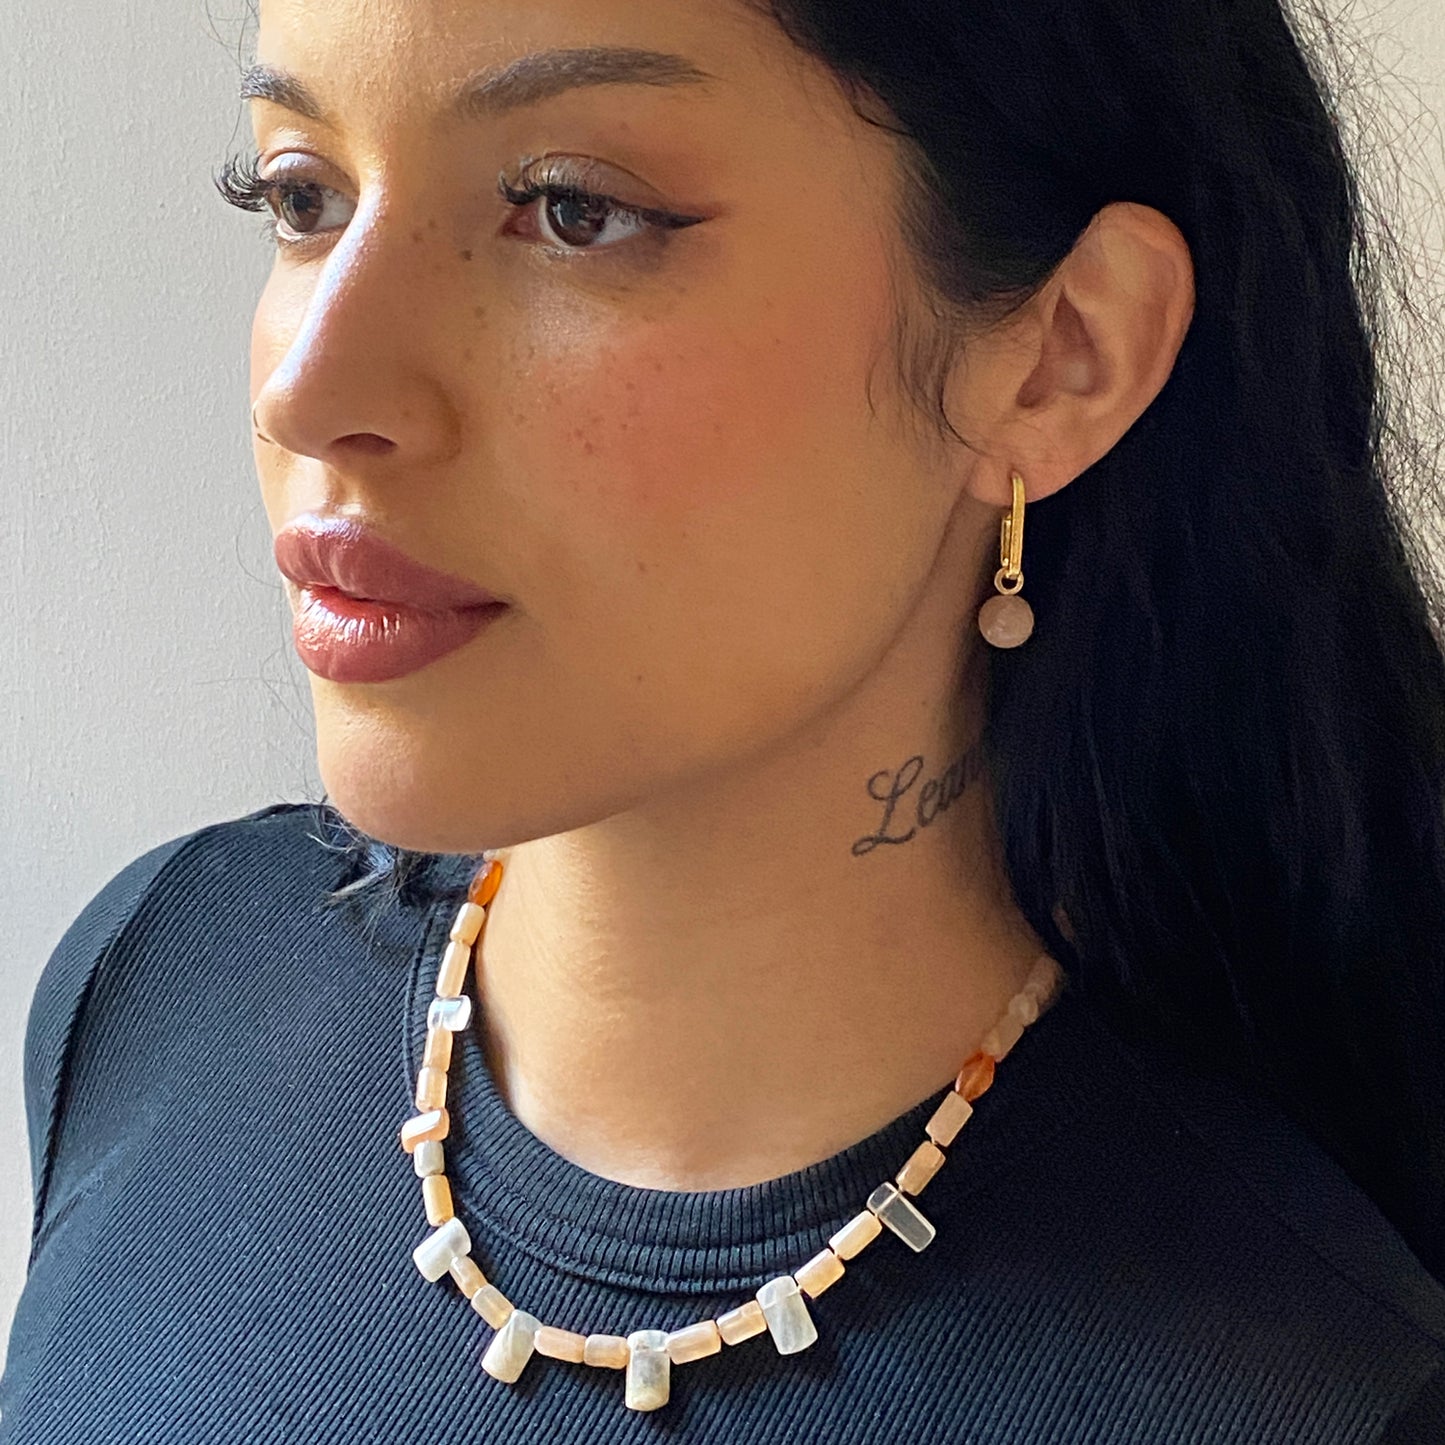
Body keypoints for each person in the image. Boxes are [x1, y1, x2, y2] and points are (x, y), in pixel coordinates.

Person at [4, 0, 1445, 1439]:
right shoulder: (160, 985)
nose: (311, 390)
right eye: (302, 196)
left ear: (1059, 354)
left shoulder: (1315, 1384)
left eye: (572, 211)